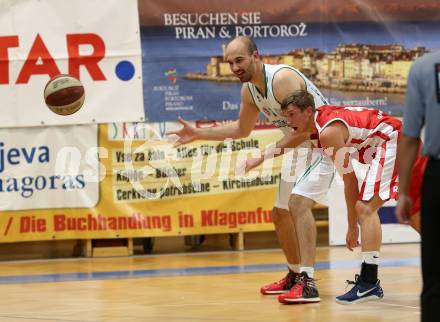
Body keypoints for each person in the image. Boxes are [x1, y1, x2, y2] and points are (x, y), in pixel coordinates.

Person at [167, 36, 335, 303]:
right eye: (229, 62)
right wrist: (198, 133)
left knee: (298, 204)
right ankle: (293, 274)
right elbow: (241, 130)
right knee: (280, 214)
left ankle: (308, 281)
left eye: (239, 60)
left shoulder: (281, 81)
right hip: (298, 145)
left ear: (256, 56)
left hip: (323, 142)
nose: (234, 67)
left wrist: (263, 157)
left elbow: (307, 129)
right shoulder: (250, 91)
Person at [250, 89, 426, 304]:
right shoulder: (317, 123)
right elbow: (293, 139)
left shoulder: (328, 133)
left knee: (366, 208)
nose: (288, 121)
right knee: (414, 212)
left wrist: (352, 226)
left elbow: (350, 181)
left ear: (307, 112)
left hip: (393, 140)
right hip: (402, 138)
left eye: (291, 115)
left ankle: (369, 282)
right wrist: (258, 159)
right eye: (285, 116)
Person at [396, 51, 440, 322]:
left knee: (435, 274)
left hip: (437, 176)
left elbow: (411, 135)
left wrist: (403, 192)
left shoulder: (424, 67)